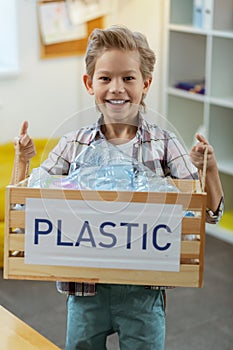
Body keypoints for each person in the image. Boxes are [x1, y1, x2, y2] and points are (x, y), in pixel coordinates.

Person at [12, 25, 223, 350]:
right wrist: (23, 162)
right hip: (85, 291)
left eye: (128, 78)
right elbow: (23, 207)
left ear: (146, 84)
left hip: (143, 293)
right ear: (89, 83)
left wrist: (208, 169)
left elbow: (208, 213)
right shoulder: (73, 145)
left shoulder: (165, 145)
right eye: (105, 78)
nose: (117, 89)